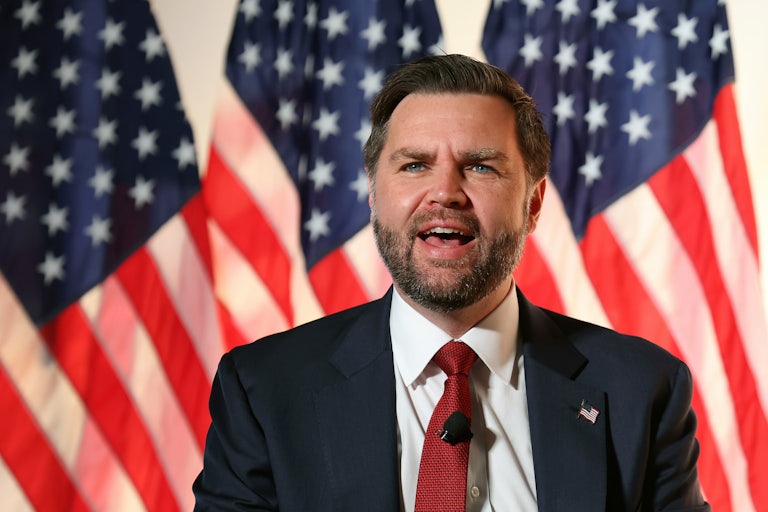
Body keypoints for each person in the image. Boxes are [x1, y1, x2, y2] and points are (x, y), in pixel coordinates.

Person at [192, 54, 710, 511]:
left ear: (532, 204)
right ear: (374, 197)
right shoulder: (265, 392)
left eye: (480, 167)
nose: (446, 193)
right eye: (415, 165)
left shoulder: (644, 391)